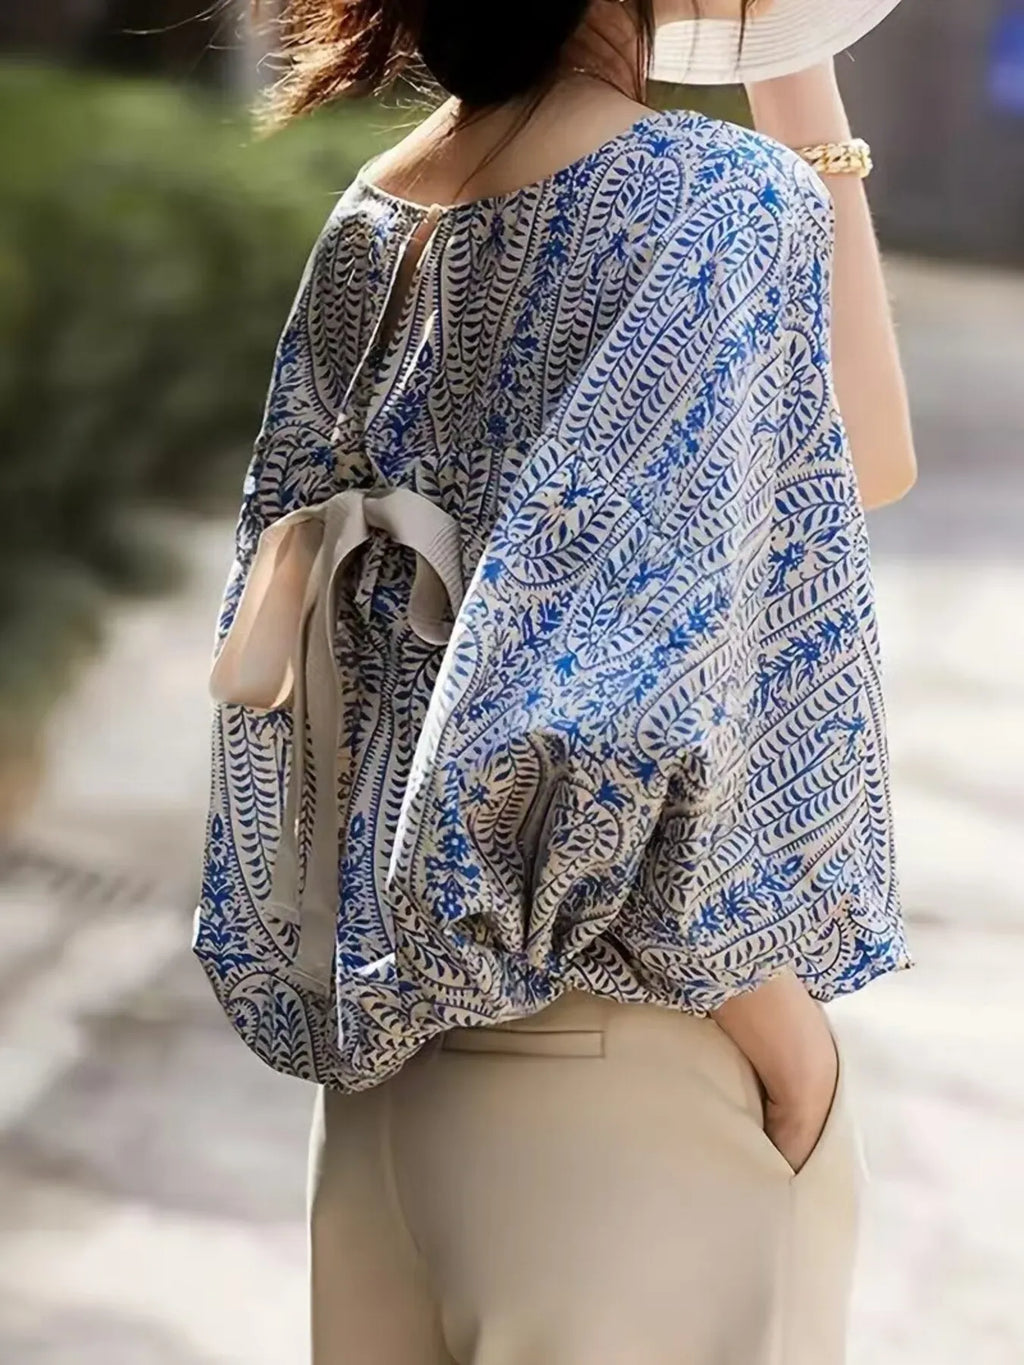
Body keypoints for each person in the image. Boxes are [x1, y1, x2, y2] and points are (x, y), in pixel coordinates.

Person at [195, 0, 917, 1359]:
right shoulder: (710, 200)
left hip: (391, 1101)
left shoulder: (377, 213)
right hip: (630, 1093)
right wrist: (786, 1039)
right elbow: (623, 706)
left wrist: (783, 58)